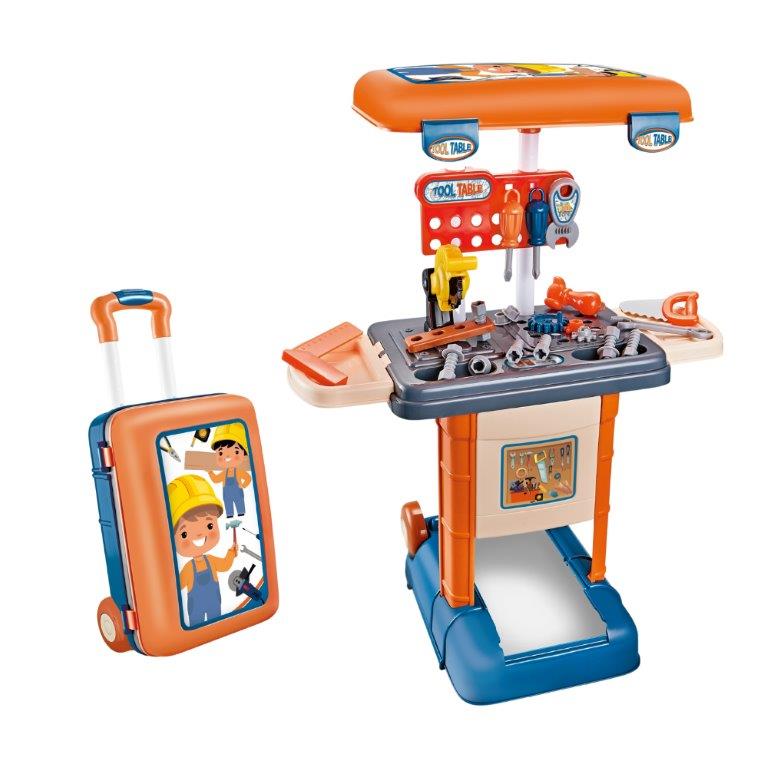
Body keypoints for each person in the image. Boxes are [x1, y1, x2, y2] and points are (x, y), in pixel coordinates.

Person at [169, 474, 237, 626]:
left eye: (209, 525)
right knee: (196, 623)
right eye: (184, 534)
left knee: (216, 621)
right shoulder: (188, 569)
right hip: (196, 611)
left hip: (214, 606)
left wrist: (231, 553)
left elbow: (225, 565)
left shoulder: (211, 561)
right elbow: (177, 586)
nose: (200, 534)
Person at [207, 422, 252, 518]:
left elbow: (248, 478)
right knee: (228, 503)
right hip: (227, 493)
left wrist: (243, 485)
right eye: (221, 453)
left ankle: (241, 512)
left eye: (236, 452)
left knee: (239, 504)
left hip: (237, 492)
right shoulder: (224, 473)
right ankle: (230, 514)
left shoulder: (239, 472)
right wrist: (209, 472)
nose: (227, 457)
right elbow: (216, 479)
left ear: (244, 454)